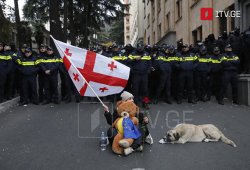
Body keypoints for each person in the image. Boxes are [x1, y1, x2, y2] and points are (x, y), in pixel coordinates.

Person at [128, 43, 152, 109]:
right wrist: (134, 59)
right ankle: (135, 104)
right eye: (139, 47)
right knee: (135, 90)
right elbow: (128, 61)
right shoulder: (133, 53)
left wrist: (149, 70)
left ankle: (145, 103)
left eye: (141, 47)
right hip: (136, 75)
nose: (140, 49)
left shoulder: (146, 53)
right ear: (137, 48)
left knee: (145, 90)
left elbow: (149, 63)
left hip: (144, 75)